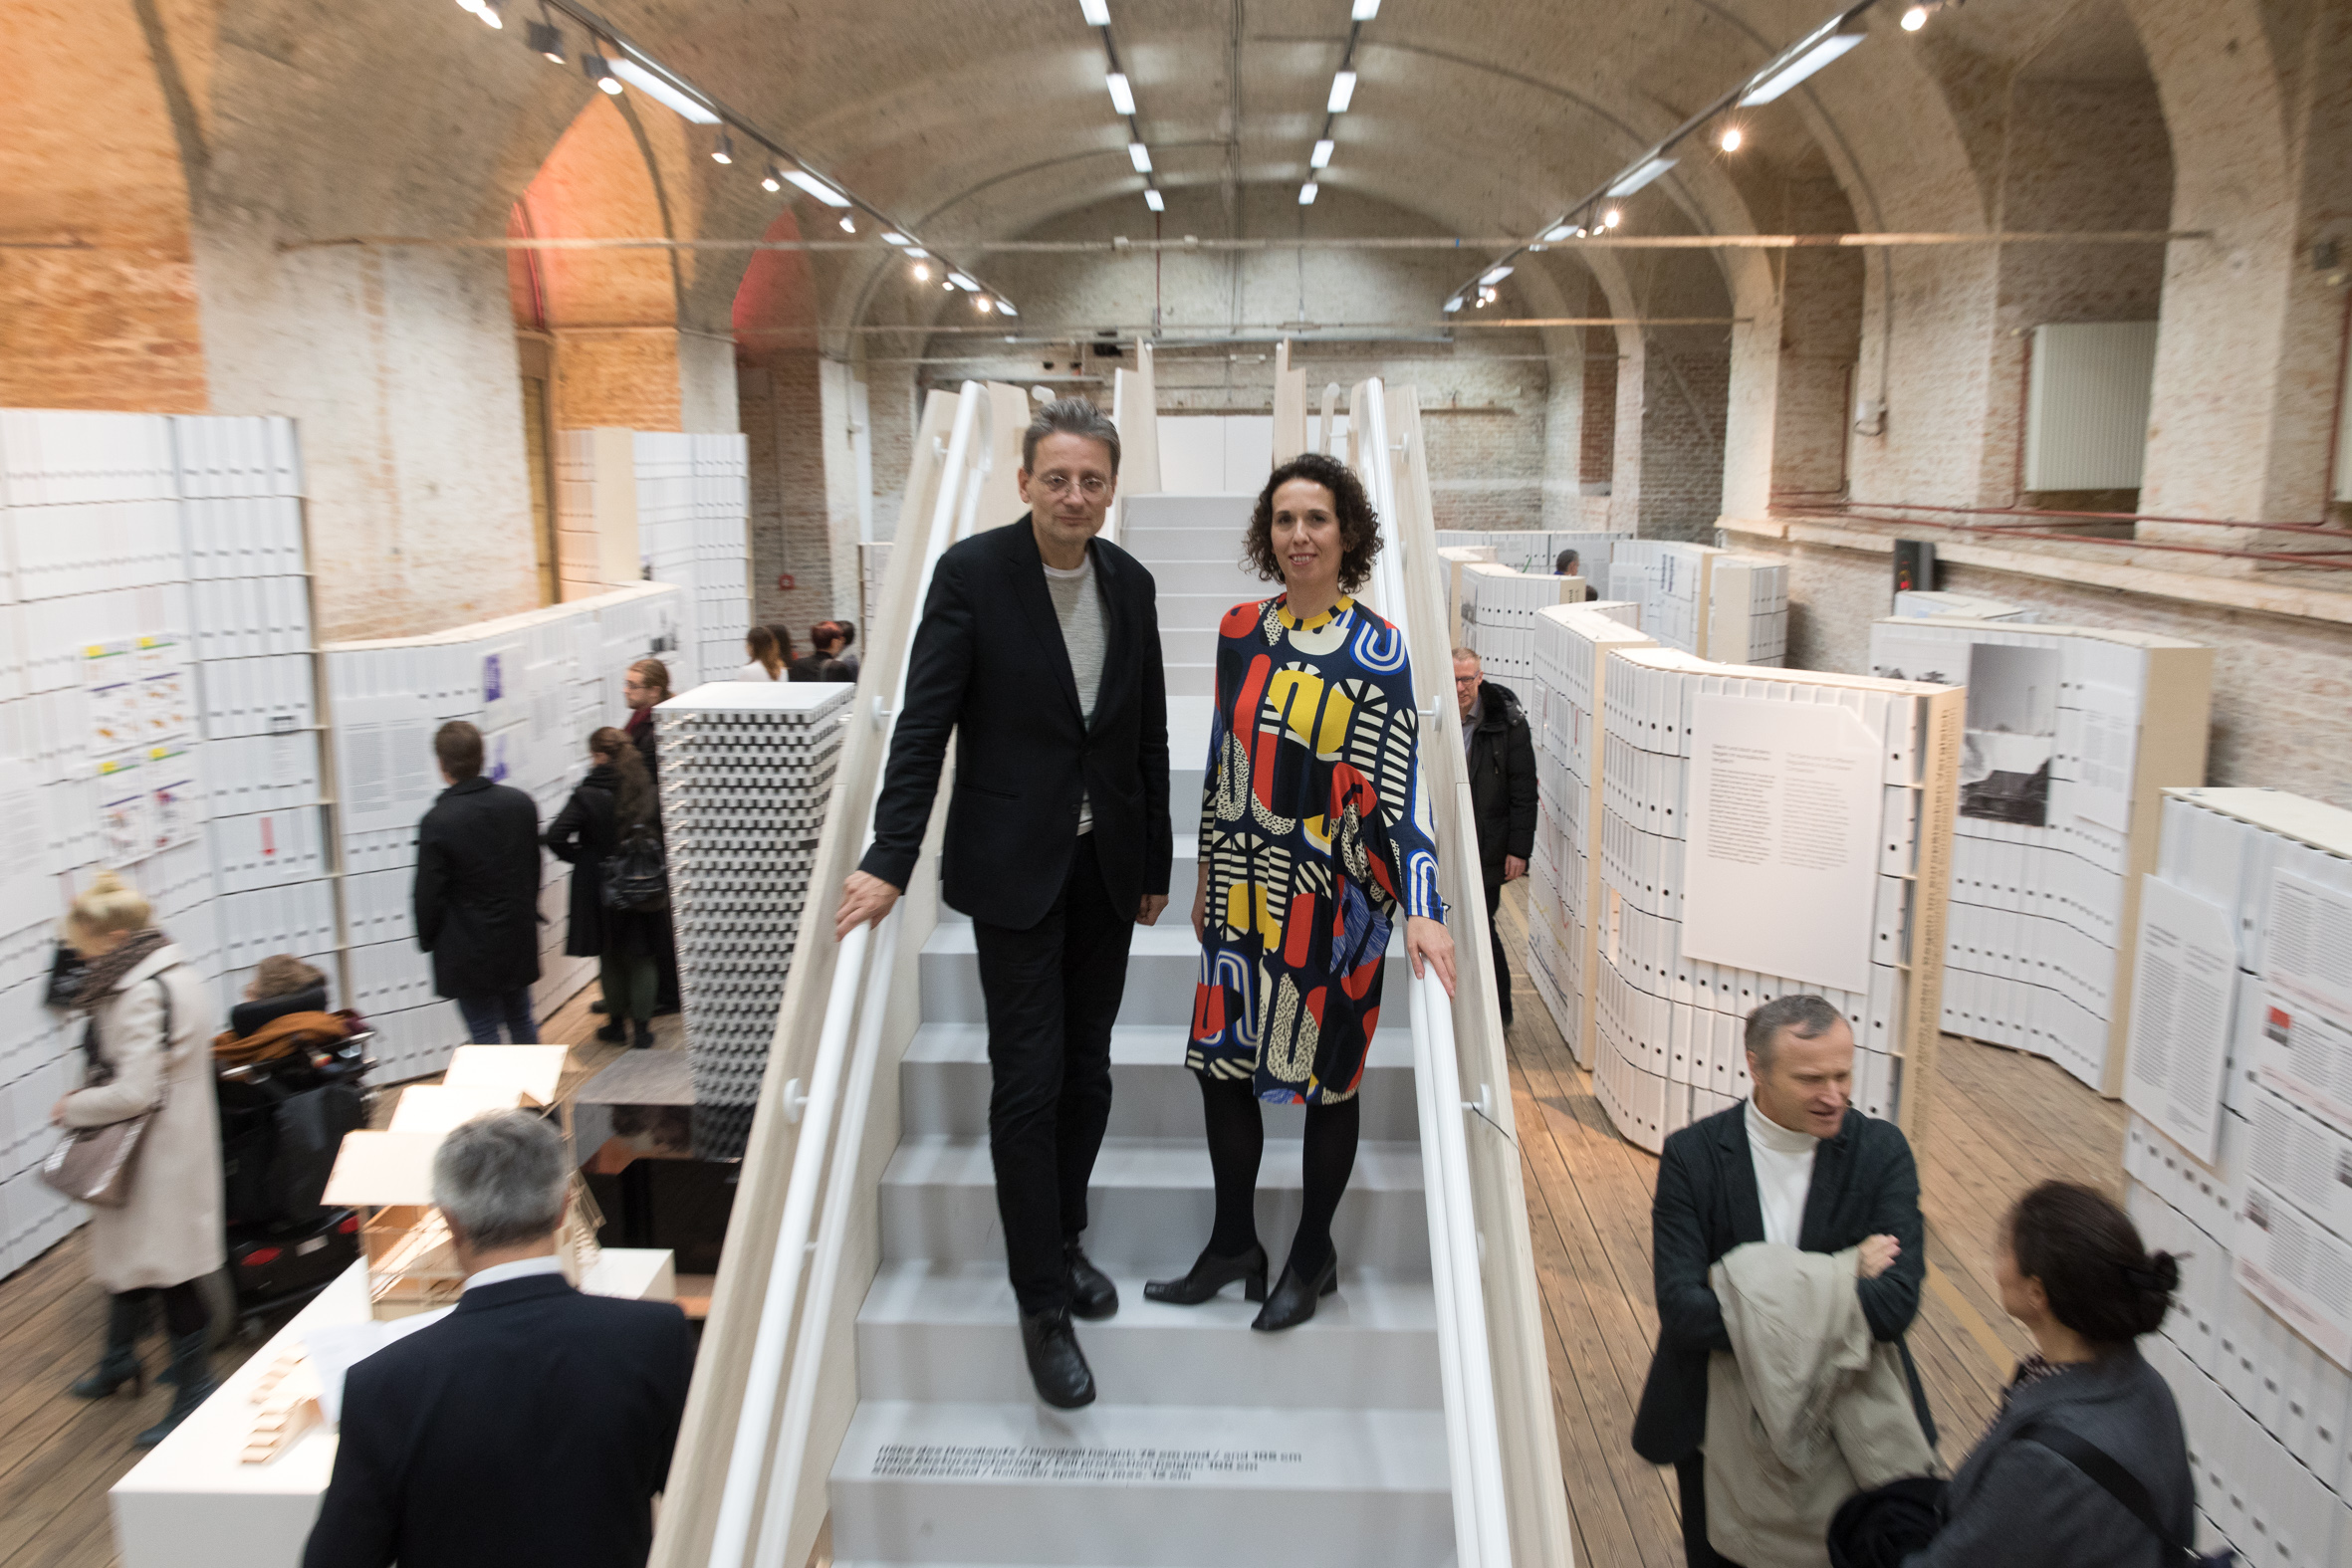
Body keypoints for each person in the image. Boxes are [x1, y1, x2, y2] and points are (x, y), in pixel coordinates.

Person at [835, 397, 1171, 1410]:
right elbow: (923, 724)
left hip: (1103, 868)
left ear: (1112, 488)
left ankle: (1062, 1237)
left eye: (1093, 480)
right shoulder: (972, 576)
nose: (1075, 496)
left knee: (1088, 1071)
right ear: (1023, 481)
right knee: (1026, 1082)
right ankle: (1039, 1303)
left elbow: (1143, 730)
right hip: (1010, 868)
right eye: (1057, 478)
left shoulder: (1130, 582)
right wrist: (890, 858)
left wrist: (1153, 856)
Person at [1146, 452, 1457, 1331]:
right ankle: (1234, 1240)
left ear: (1347, 531)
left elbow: (1401, 789)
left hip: (1334, 900)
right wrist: (1206, 869)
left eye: (1316, 518)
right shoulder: (1240, 627)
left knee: (1329, 1083)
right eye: (1284, 520)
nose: (1299, 536)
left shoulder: (1380, 647)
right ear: (1267, 534)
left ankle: (1312, 1250)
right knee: (1222, 1068)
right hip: (1244, 888)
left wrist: (1425, 908)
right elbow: (1221, 759)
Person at [301, 1112, 694, 1568]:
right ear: (564, 1207)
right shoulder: (653, 1335)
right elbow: (700, 1497)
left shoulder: (383, 1384)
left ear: (450, 1221)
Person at [1633, 994, 1931, 1568]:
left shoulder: (1881, 1153)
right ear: (1756, 1067)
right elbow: (1685, 1312)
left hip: (1846, 1421)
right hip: (1712, 1426)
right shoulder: (1693, 1156)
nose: (1834, 1094)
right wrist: (1844, 1275)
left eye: (1844, 1075)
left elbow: (1894, 1306)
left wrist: (1744, 1289)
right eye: (1811, 1078)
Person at [1892, 1182, 2192, 1568]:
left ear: (2037, 1293)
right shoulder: (2150, 1389)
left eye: (2004, 1250)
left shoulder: (2042, 1461)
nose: (1996, 1266)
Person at [52, 870, 225, 1448]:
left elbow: (134, 1092)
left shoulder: (139, 994)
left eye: (83, 943)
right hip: (170, 1147)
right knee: (137, 1262)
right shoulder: (173, 971)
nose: (76, 955)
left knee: (169, 1273)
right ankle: (120, 1359)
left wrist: (75, 1105)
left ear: (112, 938)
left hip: (154, 1155)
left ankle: (194, 1386)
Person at [413, 721, 543, 1043]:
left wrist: (427, 938)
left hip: (465, 942)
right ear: (481, 757)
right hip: (515, 932)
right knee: (521, 1017)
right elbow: (533, 867)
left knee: (483, 1029)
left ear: (442, 764)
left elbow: (428, 891)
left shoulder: (438, 821)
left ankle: (500, 1095)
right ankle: (541, 1093)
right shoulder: (520, 803)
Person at [545, 728, 664, 1049]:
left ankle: (614, 1025)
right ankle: (641, 1030)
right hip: (642, 883)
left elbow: (555, 835)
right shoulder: (647, 788)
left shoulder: (588, 794)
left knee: (610, 954)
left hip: (602, 886)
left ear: (599, 756)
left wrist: (582, 858)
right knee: (642, 956)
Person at [1454, 646, 1535, 1026]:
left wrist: (1519, 850)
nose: (1460, 688)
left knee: (1482, 926)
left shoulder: (1508, 724)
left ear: (1480, 677)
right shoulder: (1433, 713)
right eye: (1454, 679)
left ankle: (1499, 1013)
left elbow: (1523, 792)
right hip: (1446, 841)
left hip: (1488, 844)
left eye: (1467, 679)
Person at [619, 658, 680, 1016]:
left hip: (654, 837)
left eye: (633, 685)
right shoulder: (641, 723)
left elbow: (650, 785)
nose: (626, 690)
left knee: (660, 922)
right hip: (653, 834)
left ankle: (668, 994)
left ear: (654, 691)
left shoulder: (654, 730)